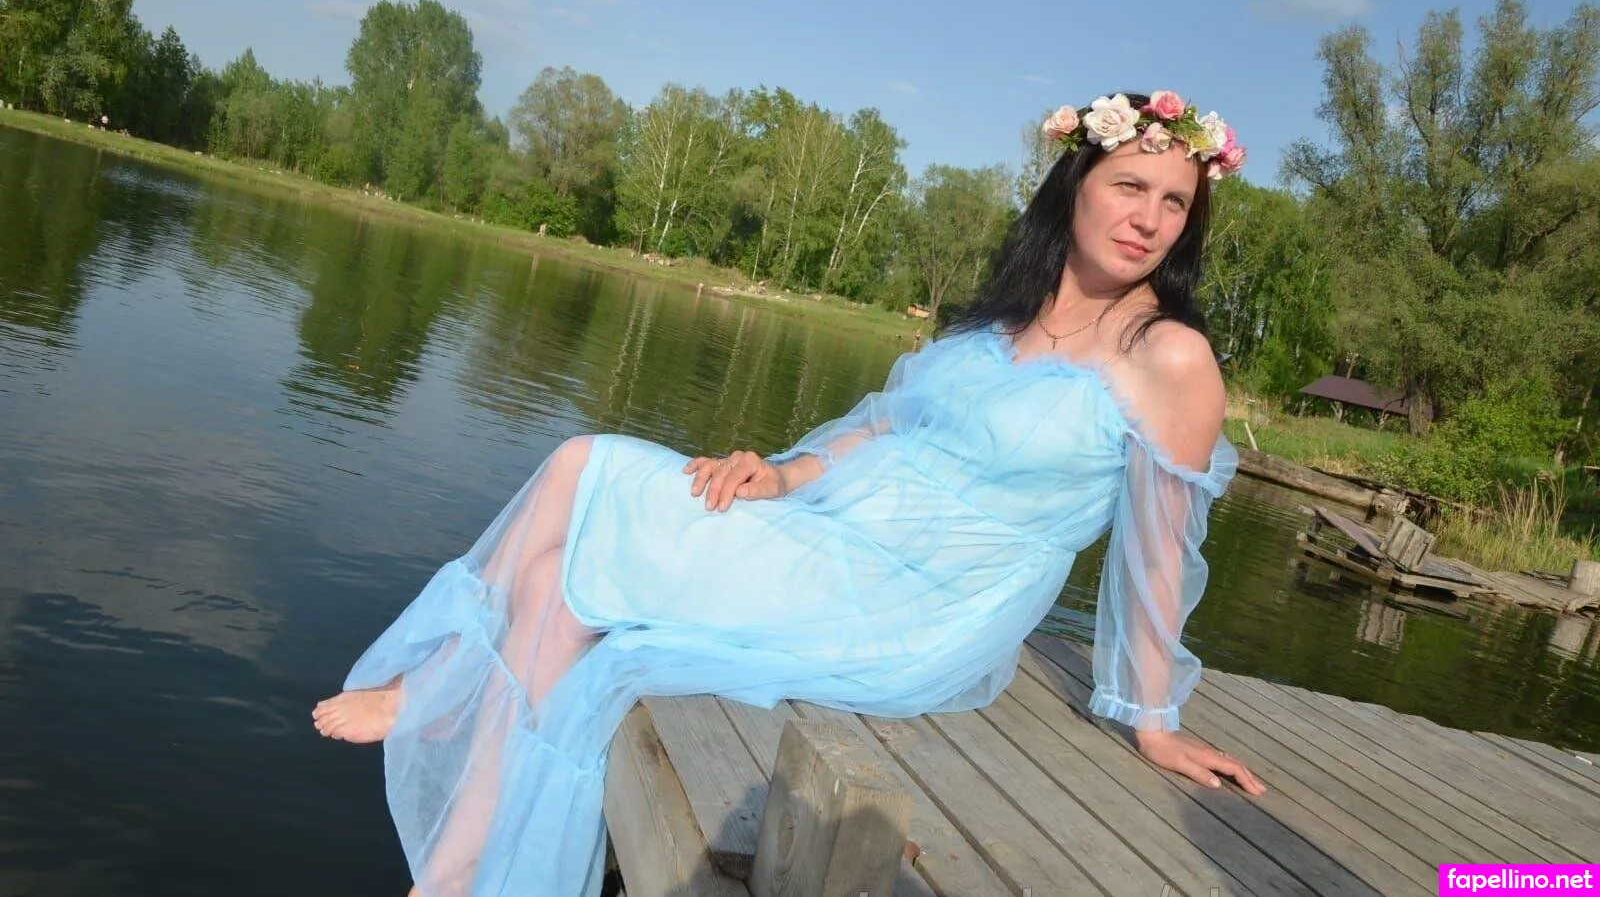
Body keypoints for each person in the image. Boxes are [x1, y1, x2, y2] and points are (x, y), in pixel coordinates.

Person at [313, 90, 1267, 897]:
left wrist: (1154, 721)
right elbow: (880, 431)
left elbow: (1159, 550)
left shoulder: (1169, 357)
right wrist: (779, 474)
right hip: (837, 533)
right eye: (1130, 186)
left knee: (576, 509)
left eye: (1175, 203)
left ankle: (443, 696)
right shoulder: (1001, 326)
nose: (1149, 218)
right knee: (560, 542)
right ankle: (453, 865)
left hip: (918, 599)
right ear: (1076, 185)